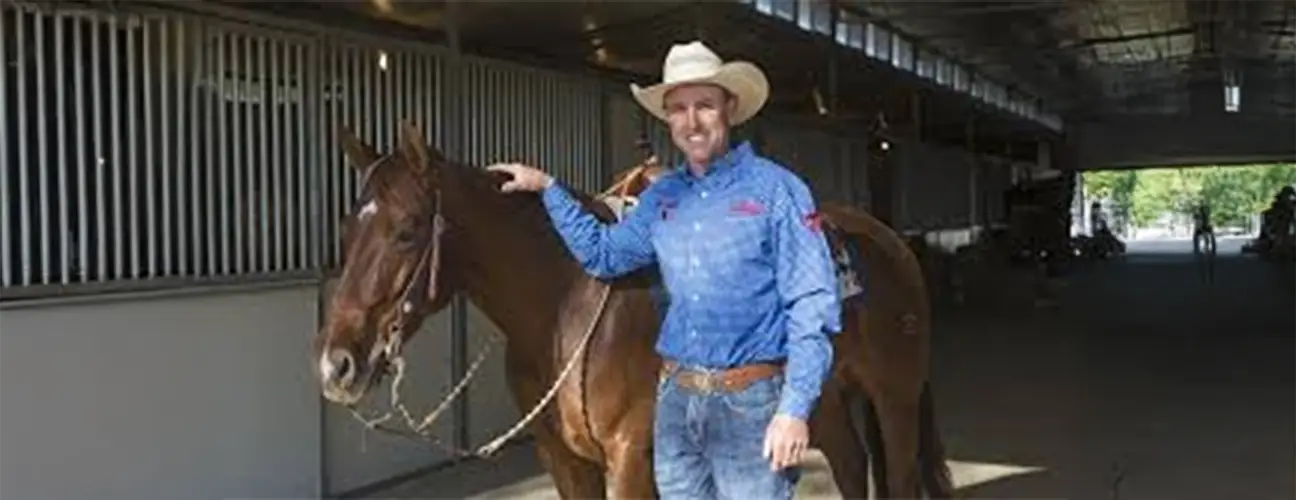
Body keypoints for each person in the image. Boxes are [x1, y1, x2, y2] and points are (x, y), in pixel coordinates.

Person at [487, 40, 842, 498]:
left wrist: (793, 409)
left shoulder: (777, 191)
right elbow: (606, 255)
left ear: (729, 108)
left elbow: (812, 301)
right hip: (675, 401)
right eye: (678, 109)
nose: (691, 122)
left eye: (704, 106)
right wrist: (549, 188)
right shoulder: (664, 196)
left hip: (750, 401)